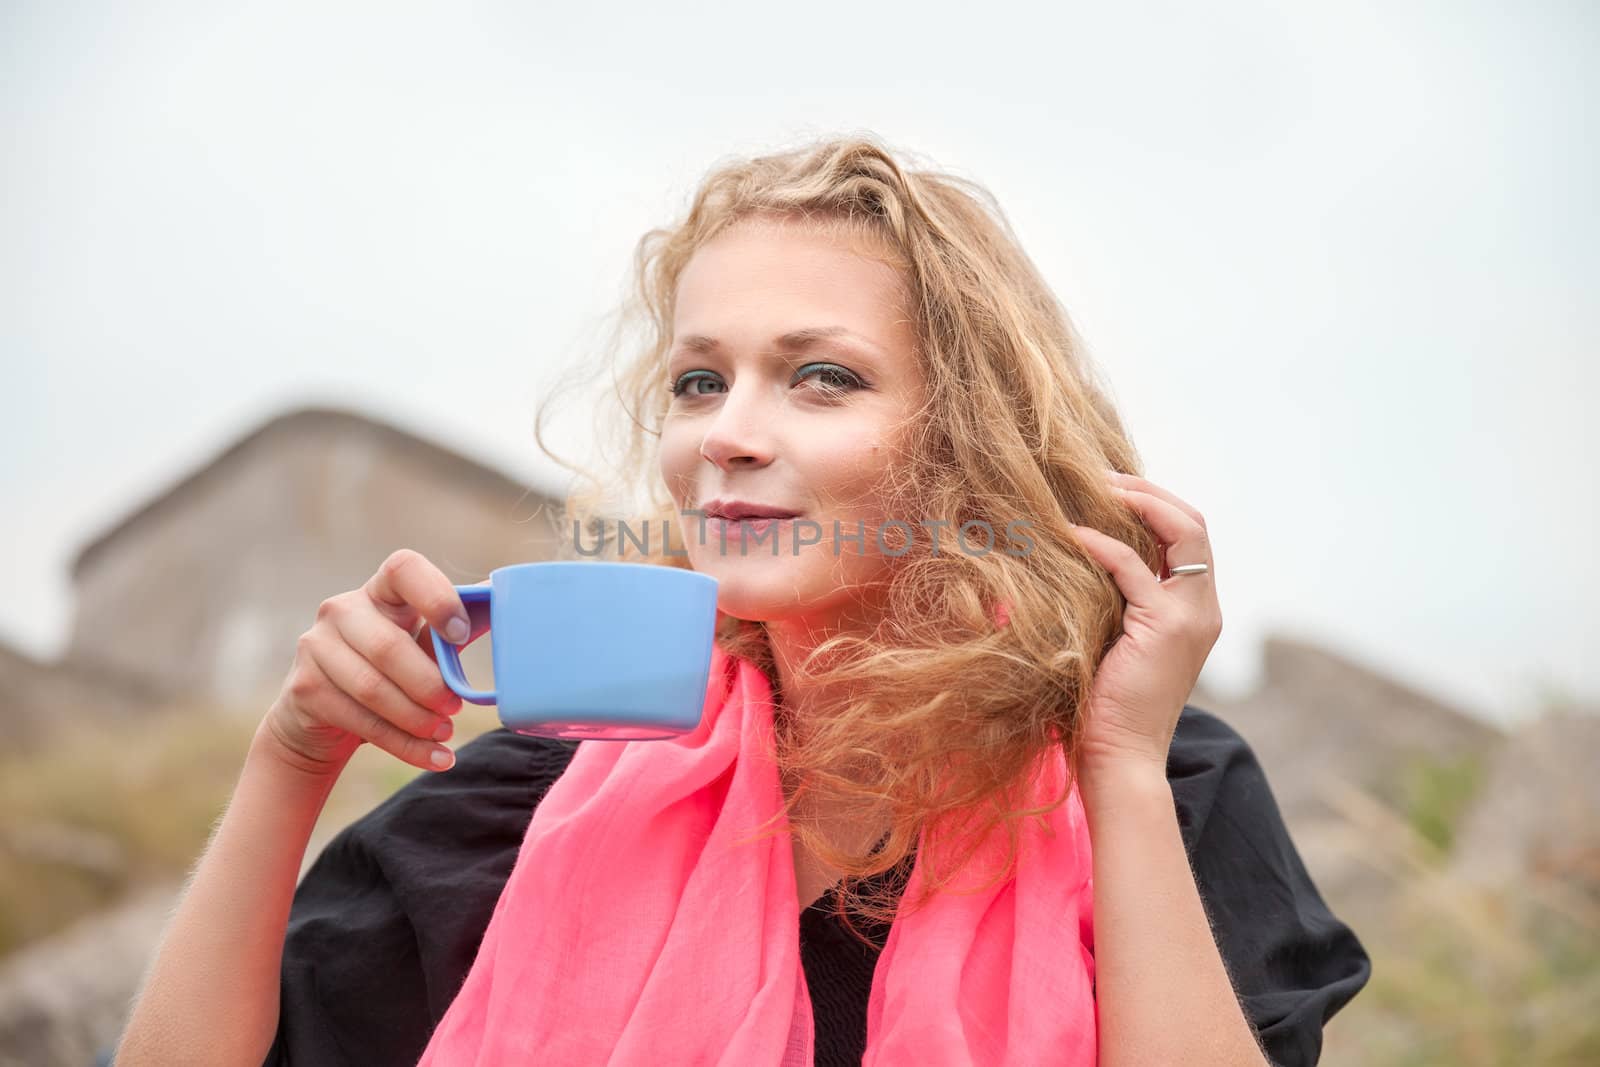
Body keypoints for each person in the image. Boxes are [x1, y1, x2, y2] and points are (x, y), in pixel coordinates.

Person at [113, 135, 1371, 1066]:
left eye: (820, 377)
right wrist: (291, 757)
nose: (729, 434)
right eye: (698, 382)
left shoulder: (1162, 782)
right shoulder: (541, 790)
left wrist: (1120, 765)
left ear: (964, 443)